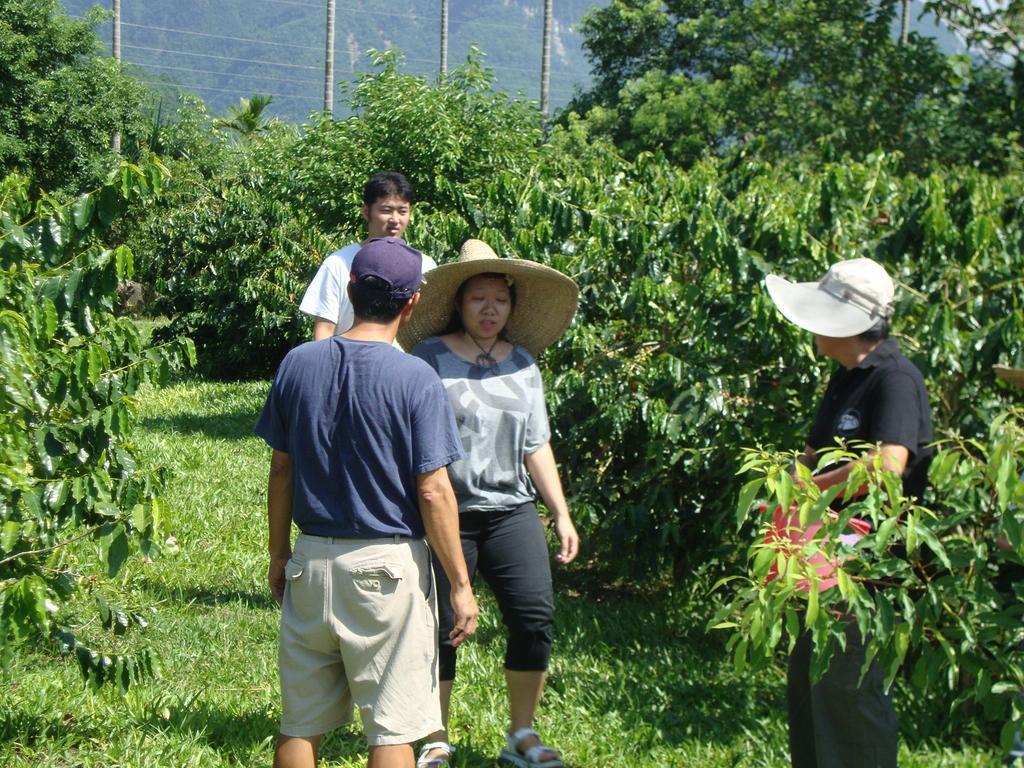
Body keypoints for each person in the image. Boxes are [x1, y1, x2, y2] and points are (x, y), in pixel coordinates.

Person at [255, 237, 480, 768]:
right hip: (386, 569)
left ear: (351, 289)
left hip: (311, 561)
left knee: (299, 724)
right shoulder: (416, 377)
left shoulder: (298, 364)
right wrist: (462, 586)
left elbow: (281, 469)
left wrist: (278, 553)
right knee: (392, 728)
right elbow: (432, 491)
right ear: (411, 304)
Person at [397, 239, 581, 768]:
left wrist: (560, 512)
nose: (489, 309)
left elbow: (535, 444)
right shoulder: (428, 360)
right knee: (440, 625)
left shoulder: (524, 363)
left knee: (534, 617)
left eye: (499, 299)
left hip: (511, 510)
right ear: (459, 303)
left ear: (512, 305)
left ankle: (522, 734)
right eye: (478, 297)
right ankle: (434, 736)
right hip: (444, 512)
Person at [764, 257, 934, 768]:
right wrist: (785, 479)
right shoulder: (846, 378)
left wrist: (812, 489)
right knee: (810, 682)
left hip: (865, 568)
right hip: (819, 560)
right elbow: (818, 452)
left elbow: (887, 465)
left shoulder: (895, 378)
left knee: (848, 689)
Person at [298, 171, 436, 341]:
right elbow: (324, 330)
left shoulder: (425, 265)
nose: (395, 219)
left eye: (402, 211)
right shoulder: (338, 264)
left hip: (404, 367)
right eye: (386, 210)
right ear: (366, 211)